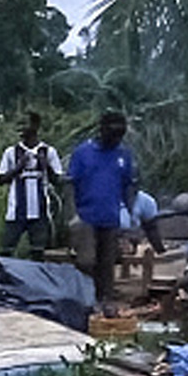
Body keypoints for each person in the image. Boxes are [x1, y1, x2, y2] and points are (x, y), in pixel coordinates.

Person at [68, 110, 137, 307]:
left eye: (120, 136)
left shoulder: (123, 155)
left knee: (107, 264)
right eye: (113, 135)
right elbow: (70, 184)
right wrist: (72, 215)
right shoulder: (83, 153)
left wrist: (129, 217)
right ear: (103, 130)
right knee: (87, 261)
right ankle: (84, 301)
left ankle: (105, 302)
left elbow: (128, 186)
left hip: (111, 217)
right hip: (86, 216)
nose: (117, 139)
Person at [0, 111, 62, 261]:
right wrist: (18, 168)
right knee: (7, 251)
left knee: (38, 253)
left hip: (40, 212)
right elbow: (1, 179)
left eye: (24, 124)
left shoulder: (48, 151)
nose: (20, 128)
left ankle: (36, 281)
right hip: (16, 212)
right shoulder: (11, 152)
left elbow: (57, 181)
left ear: (36, 126)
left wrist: (46, 167)